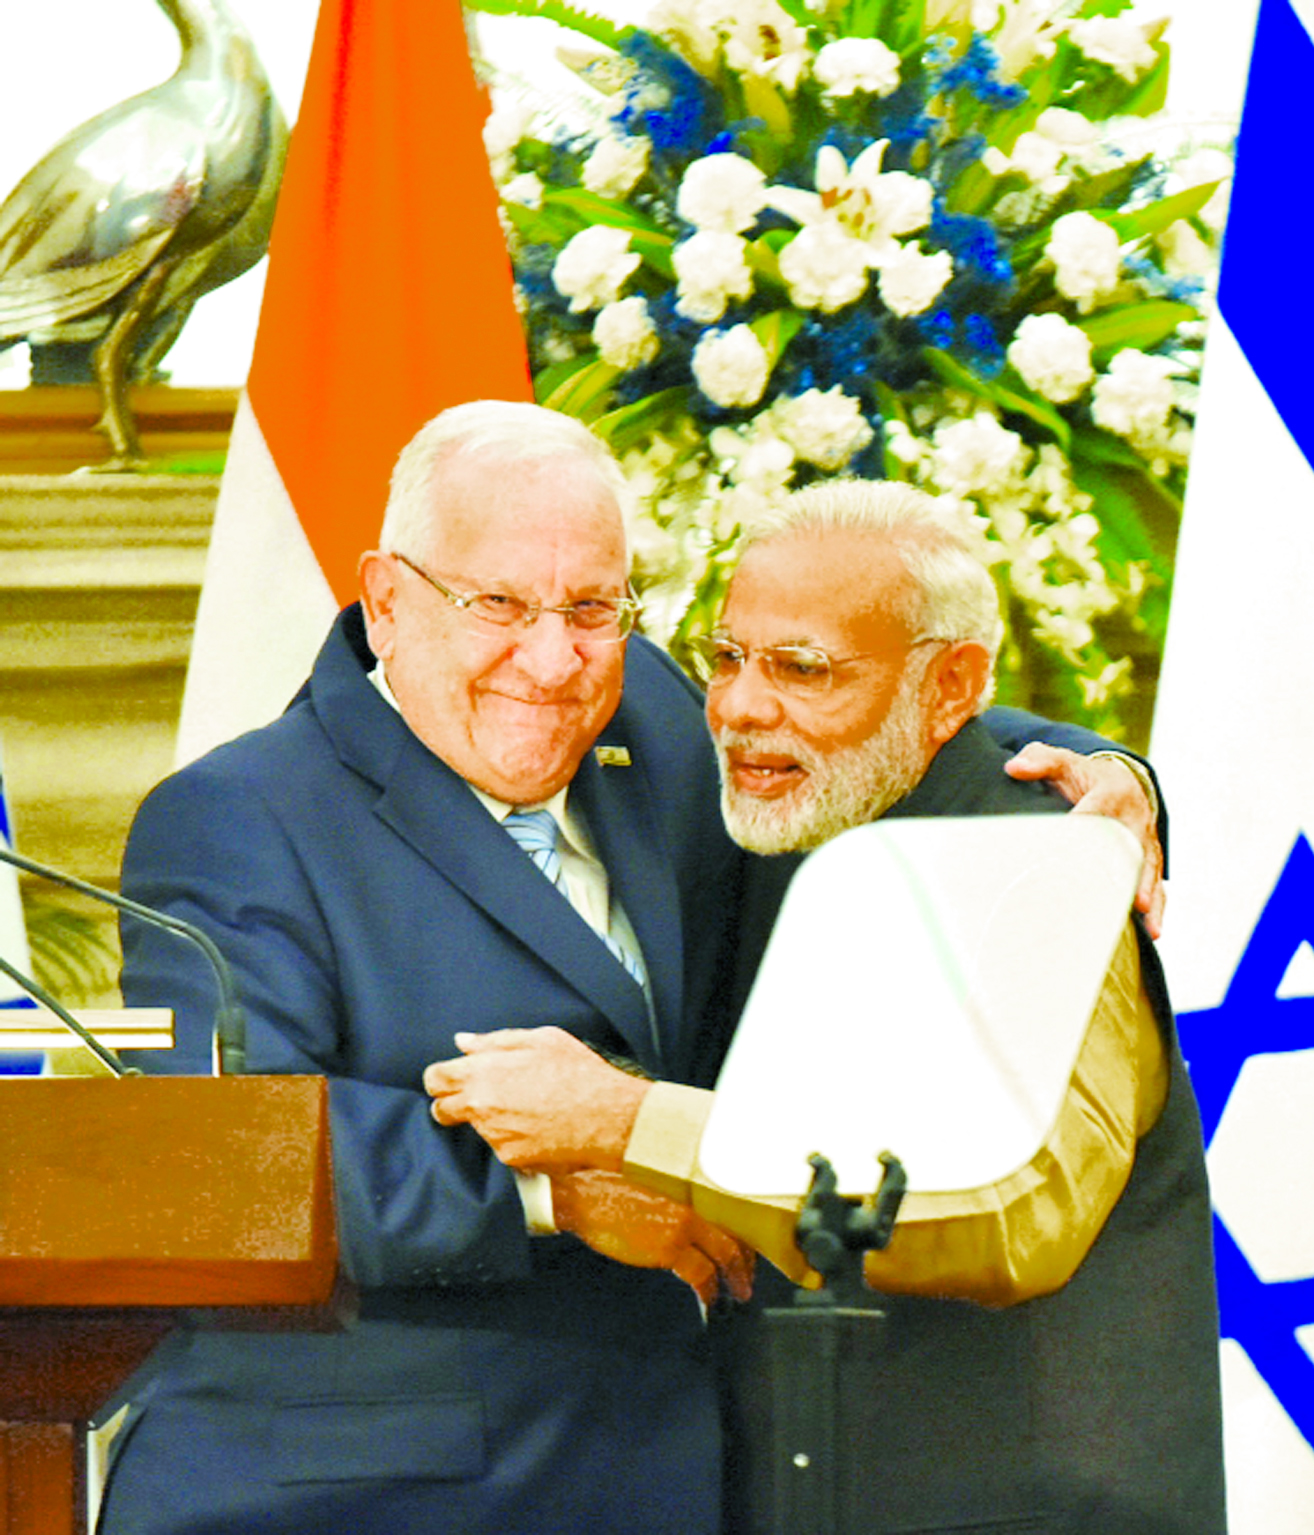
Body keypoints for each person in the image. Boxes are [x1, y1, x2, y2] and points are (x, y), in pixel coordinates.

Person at [105, 402, 1164, 1535]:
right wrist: (555, 1188)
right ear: (388, 597)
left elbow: (866, 705)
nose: (553, 659)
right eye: (499, 603)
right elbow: (223, 1160)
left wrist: (1111, 775)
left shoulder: (654, 718)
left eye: (593, 607)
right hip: (358, 1487)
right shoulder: (235, 817)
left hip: (657, 1468)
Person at [426, 478, 1226, 1535]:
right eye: (725, 657)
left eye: (803, 668)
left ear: (950, 689)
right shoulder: (787, 802)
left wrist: (627, 1122)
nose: (741, 706)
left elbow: (1006, 1215)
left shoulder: (1048, 864)